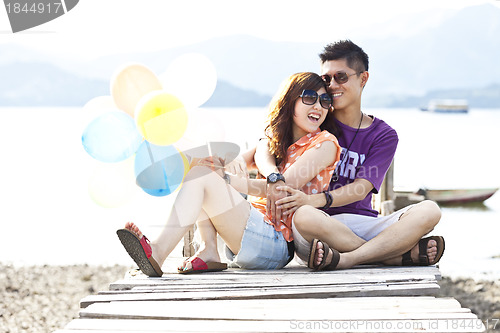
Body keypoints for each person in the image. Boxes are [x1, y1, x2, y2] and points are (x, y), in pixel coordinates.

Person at [117, 72, 341, 276]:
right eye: (310, 97)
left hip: (277, 242)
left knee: (204, 175)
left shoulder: (324, 142)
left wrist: (227, 180)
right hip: (257, 228)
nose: (319, 107)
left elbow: (282, 187)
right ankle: (209, 250)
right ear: (291, 99)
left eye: (325, 101)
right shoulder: (275, 142)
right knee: (202, 168)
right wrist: (221, 165)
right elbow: (238, 162)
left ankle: (159, 251)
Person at [253, 40, 444, 271]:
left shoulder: (383, 135)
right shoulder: (315, 116)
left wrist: (314, 199)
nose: (332, 85)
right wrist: (273, 176)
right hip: (316, 228)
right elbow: (267, 142)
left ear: (363, 79)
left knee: (430, 210)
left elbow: (361, 188)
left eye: (341, 77)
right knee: (303, 215)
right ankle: (389, 256)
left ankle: (349, 259)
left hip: (361, 223)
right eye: (326, 79)